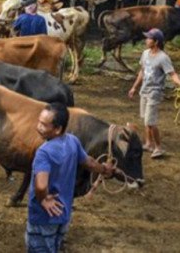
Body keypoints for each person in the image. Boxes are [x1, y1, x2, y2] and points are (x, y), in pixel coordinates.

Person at [27, 102, 116, 252]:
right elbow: (88, 162)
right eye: (39, 122)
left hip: (44, 216)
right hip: (63, 213)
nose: (38, 127)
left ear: (57, 129)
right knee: (54, 246)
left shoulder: (44, 152)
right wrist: (104, 169)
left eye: (44, 125)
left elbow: (41, 185)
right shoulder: (72, 141)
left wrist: (43, 199)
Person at [127, 28, 180, 159]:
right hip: (144, 90)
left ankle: (158, 147)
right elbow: (142, 72)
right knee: (145, 120)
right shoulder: (145, 54)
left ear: (156, 42)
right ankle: (148, 144)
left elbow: (172, 74)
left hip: (155, 92)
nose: (146, 40)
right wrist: (134, 88)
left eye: (149, 38)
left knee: (150, 121)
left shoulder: (163, 58)